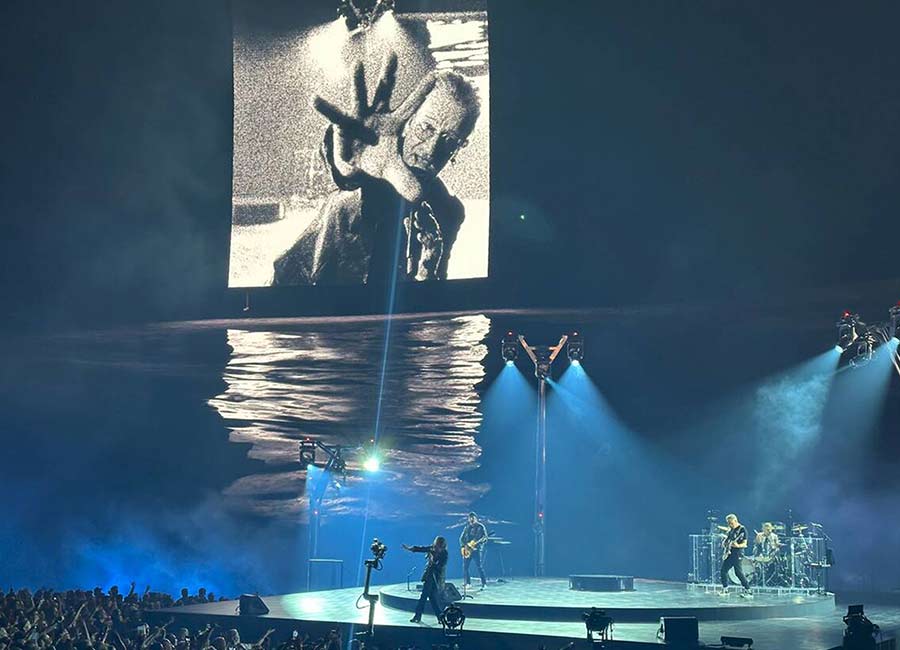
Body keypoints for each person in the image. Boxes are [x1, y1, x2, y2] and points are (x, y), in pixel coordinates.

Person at [273, 54, 480, 286]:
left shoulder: (449, 212)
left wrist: (428, 273)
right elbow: (345, 174)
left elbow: (431, 295)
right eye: (426, 128)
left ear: (460, 148)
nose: (431, 149)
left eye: (450, 140)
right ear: (409, 122)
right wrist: (345, 165)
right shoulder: (372, 157)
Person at [402, 536, 449, 623]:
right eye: (436, 545)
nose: (436, 548)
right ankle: (422, 616)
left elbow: (441, 565)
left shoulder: (444, 553)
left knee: (429, 597)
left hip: (437, 577)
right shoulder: (432, 548)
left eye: (439, 546)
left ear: (442, 546)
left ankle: (435, 617)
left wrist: (433, 561)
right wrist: (410, 549)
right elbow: (422, 548)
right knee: (428, 597)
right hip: (429, 576)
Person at [720, 513, 752, 597]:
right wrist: (725, 543)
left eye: (731, 523)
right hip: (730, 553)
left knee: (738, 572)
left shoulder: (742, 529)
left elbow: (745, 544)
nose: (730, 525)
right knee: (723, 571)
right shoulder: (731, 529)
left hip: (738, 553)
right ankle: (725, 589)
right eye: (728, 523)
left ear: (735, 520)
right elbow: (729, 539)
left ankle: (748, 590)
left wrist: (738, 545)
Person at [458, 512, 488, 589]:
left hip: (477, 550)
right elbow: (461, 538)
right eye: (470, 518)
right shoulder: (467, 528)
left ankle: (484, 584)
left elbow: (485, 537)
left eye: (473, 518)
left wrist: (478, 543)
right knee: (465, 567)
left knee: (479, 567)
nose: (471, 520)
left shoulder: (480, 527)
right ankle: (468, 583)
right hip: (468, 550)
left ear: (476, 519)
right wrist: (463, 547)